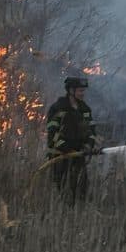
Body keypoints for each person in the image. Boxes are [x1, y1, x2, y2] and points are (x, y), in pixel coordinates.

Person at [45, 76, 100, 204]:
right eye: (80, 91)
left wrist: (89, 145)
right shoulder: (58, 108)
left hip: (79, 156)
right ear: (71, 91)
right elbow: (52, 135)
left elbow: (91, 131)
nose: (82, 94)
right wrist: (67, 149)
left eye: (83, 91)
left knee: (82, 190)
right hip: (60, 157)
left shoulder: (84, 109)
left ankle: (79, 216)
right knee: (64, 193)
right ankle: (63, 218)